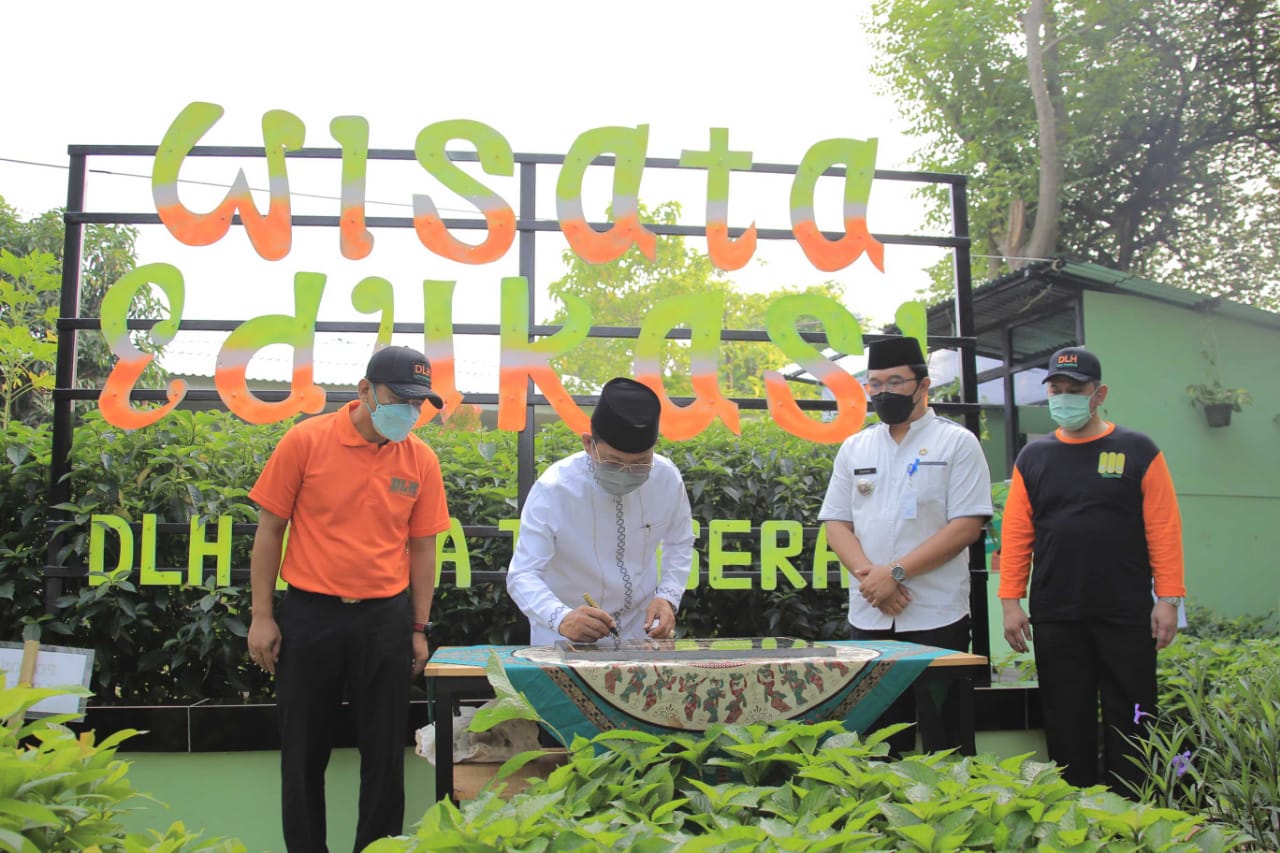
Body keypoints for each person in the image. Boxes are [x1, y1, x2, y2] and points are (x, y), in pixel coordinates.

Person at [246, 345, 451, 852]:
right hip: (310, 616)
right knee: (302, 755)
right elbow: (270, 530)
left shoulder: (421, 459)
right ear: (365, 391)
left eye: (419, 404)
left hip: (384, 621)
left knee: (384, 756)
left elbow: (422, 548)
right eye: (399, 399)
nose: (409, 412)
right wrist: (262, 616)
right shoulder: (306, 441)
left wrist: (419, 627)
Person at [999, 346, 1185, 792]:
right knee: (1065, 715)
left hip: (1125, 611)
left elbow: (1164, 528)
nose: (1064, 398)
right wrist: (1010, 601)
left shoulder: (1138, 450)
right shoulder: (1034, 458)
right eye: (1056, 390)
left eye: (1074, 390)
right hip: (1057, 611)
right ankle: (1075, 810)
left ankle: (1134, 809)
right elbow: (1017, 535)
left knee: (1133, 714)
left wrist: (1169, 599)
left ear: (1098, 394)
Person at [818, 336, 992, 753]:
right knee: (874, 739)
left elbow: (966, 525)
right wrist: (872, 579)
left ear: (923, 385)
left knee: (944, 741)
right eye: (874, 383)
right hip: (870, 614)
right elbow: (837, 523)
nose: (884, 392)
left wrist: (894, 574)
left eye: (895, 381)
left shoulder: (958, 443)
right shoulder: (856, 446)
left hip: (936, 613)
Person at [507, 377, 694, 645]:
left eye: (641, 463)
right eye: (614, 462)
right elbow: (522, 575)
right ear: (588, 444)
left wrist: (667, 596)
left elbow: (680, 542)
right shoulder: (554, 489)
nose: (627, 473)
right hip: (564, 638)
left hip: (638, 634)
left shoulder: (666, 479)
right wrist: (560, 617)